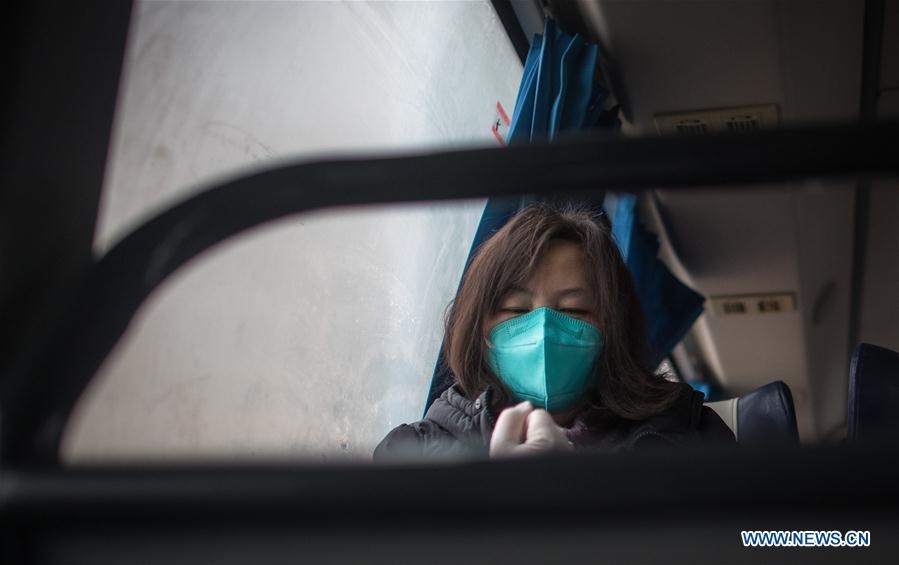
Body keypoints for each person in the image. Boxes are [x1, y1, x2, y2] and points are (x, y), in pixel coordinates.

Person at [373, 204, 735, 461]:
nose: (543, 329)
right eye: (515, 310)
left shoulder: (688, 434)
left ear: (613, 329)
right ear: (478, 328)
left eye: (574, 310)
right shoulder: (411, 453)